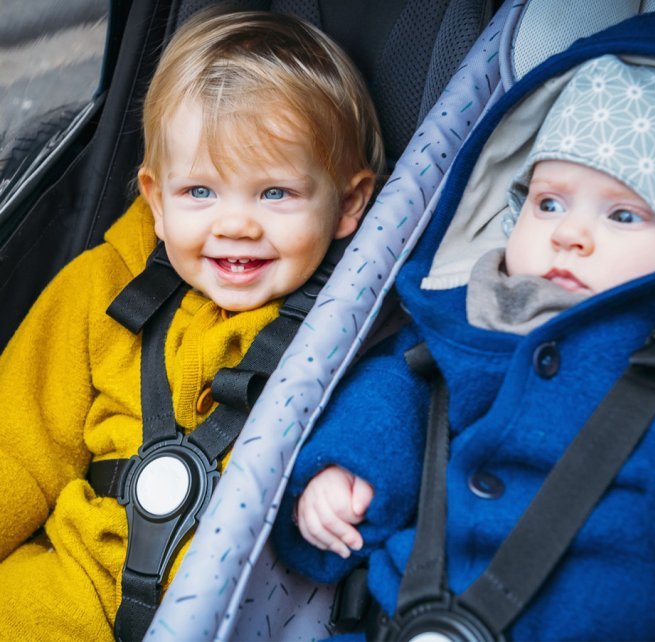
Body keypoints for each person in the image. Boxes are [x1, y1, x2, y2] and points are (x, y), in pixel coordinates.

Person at [273, 53, 655, 640]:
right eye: (549, 204)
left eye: (622, 215)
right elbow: (400, 390)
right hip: (412, 614)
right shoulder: (473, 314)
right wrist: (345, 470)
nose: (569, 235)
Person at [0, 8, 385, 640]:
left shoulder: (350, 325)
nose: (235, 224)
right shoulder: (102, 288)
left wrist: (344, 475)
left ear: (347, 204)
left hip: (232, 612)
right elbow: (18, 444)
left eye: (275, 194)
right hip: (68, 587)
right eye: (200, 192)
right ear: (155, 198)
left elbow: (381, 422)